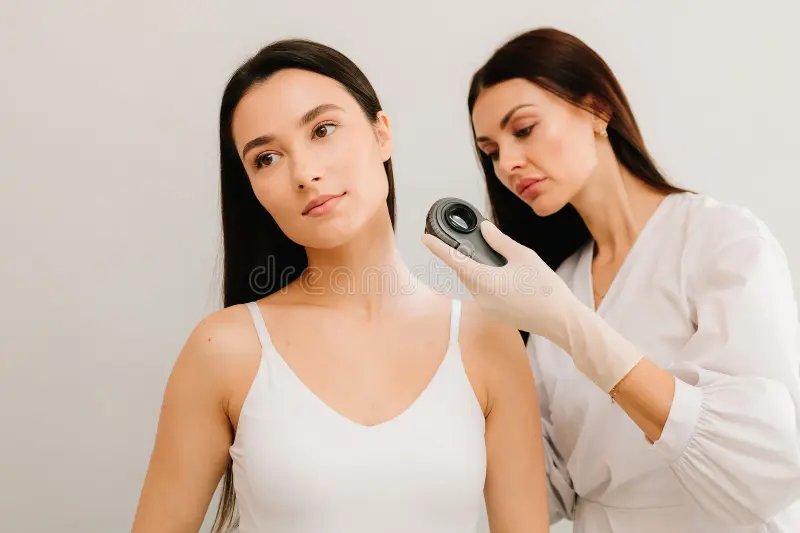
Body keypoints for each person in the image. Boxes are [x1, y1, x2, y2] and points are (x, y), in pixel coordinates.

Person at [132, 39, 549, 533]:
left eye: (323, 130)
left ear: (382, 133)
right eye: (266, 158)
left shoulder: (487, 339)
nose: (305, 173)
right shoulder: (223, 349)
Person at [423, 27, 800, 533]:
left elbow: (769, 457)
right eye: (491, 151)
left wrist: (569, 325)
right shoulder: (558, 282)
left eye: (525, 129)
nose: (507, 163)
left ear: (598, 109)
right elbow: (540, 489)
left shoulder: (719, 239)